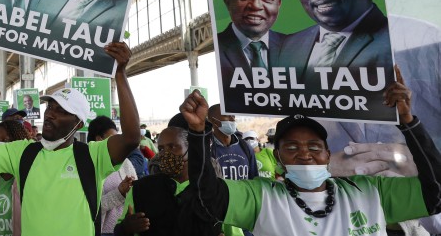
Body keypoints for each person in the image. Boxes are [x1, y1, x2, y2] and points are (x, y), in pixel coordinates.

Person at [180, 66, 441, 236]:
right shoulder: (261, 197)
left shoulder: (373, 191)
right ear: (278, 159)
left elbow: (436, 194)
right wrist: (199, 132)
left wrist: (408, 121)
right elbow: (207, 198)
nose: (304, 153)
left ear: (327, 154)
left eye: (314, 146)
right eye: (291, 147)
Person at [0, 42, 141, 235]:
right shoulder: (22, 152)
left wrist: (120, 74)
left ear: (78, 124)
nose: (50, 114)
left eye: (61, 111)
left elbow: (131, 138)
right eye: (50, 107)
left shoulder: (92, 155)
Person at [216, 0, 283, 83]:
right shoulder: (214, 50)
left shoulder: (297, 48)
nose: (256, 6)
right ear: (228, 2)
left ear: (278, 5)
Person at [88, 115, 138, 236]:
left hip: (124, 230)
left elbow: (136, 194)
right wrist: (119, 193)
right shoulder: (88, 164)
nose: (118, 143)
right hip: (98, 231)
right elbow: (88, 208)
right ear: (99, 139)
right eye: (113, 139)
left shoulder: (125, 162)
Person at [207, 105, 258, 181]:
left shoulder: (245, 147)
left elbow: (254, 180)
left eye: (233, 115)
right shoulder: (207, 149)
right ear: (213, 121)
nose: (232, 119)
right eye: (227, 116)